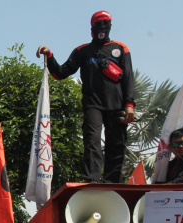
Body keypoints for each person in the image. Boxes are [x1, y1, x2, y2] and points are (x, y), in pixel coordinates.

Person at [37, 11, 135, 183]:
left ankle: (112, 181)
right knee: (92, 141)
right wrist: (49, 55)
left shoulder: (120, 48)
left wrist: (129, 105)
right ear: (92, 29)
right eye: (98, 24)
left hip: (117, 105)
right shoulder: (83, 51)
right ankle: (91, 180)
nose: (102, 27)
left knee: (117, 143)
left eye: (105, 23)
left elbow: (128, 78)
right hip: (92, 105)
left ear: (110, 26)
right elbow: (60, 74)